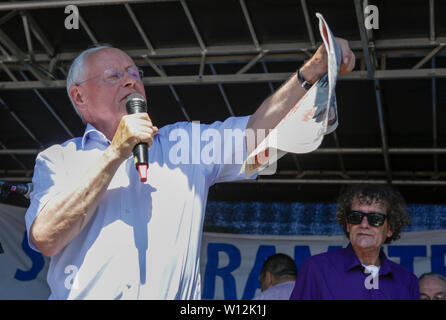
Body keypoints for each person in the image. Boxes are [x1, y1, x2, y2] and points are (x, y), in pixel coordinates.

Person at [25, 39, 354, 299]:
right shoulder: (58, 160)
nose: (130, 81)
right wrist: (114, 154)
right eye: (114, 76)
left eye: (135, 73)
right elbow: (45, 238)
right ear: (79, 97)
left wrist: (312, 70)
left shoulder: (184, 145)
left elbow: (256, 135)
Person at [290, 184, 419, 300]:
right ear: (347, 224)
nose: (364, 224)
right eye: (356, 217)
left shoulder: (407, 281)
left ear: (390, 228)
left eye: (375, 219)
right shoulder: (316, 269)